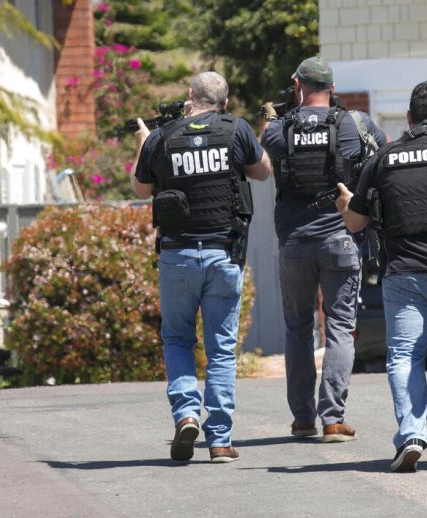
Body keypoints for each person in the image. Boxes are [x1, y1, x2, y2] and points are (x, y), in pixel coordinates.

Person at [336, 81, 427, 472]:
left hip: (402, 274)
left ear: (409, 117)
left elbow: (355, 222)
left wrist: (344, 201)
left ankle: (412, 433)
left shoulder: (383, 158)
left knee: (404, 356)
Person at [131, 71, 272, 464]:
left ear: (189, 95)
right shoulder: (236, 130)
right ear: (224, 103)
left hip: (176, 255)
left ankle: (187, 414)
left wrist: (143, 147)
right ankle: (221, 441)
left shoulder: (162, 137)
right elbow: (263, 171)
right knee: (221, 349)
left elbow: (141, 189)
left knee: (177, 340)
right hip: (223, 254)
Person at [260, 56, 387, 442]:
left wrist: (273, 116)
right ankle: (333, 418)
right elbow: (381, 153)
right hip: (340, 238)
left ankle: (302, 419)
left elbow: (267, 146)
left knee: (298, 329)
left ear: (298, 86)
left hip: (294, 242)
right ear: (332, 89)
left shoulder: (279, 129)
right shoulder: (355, 124)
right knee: (340, 329)